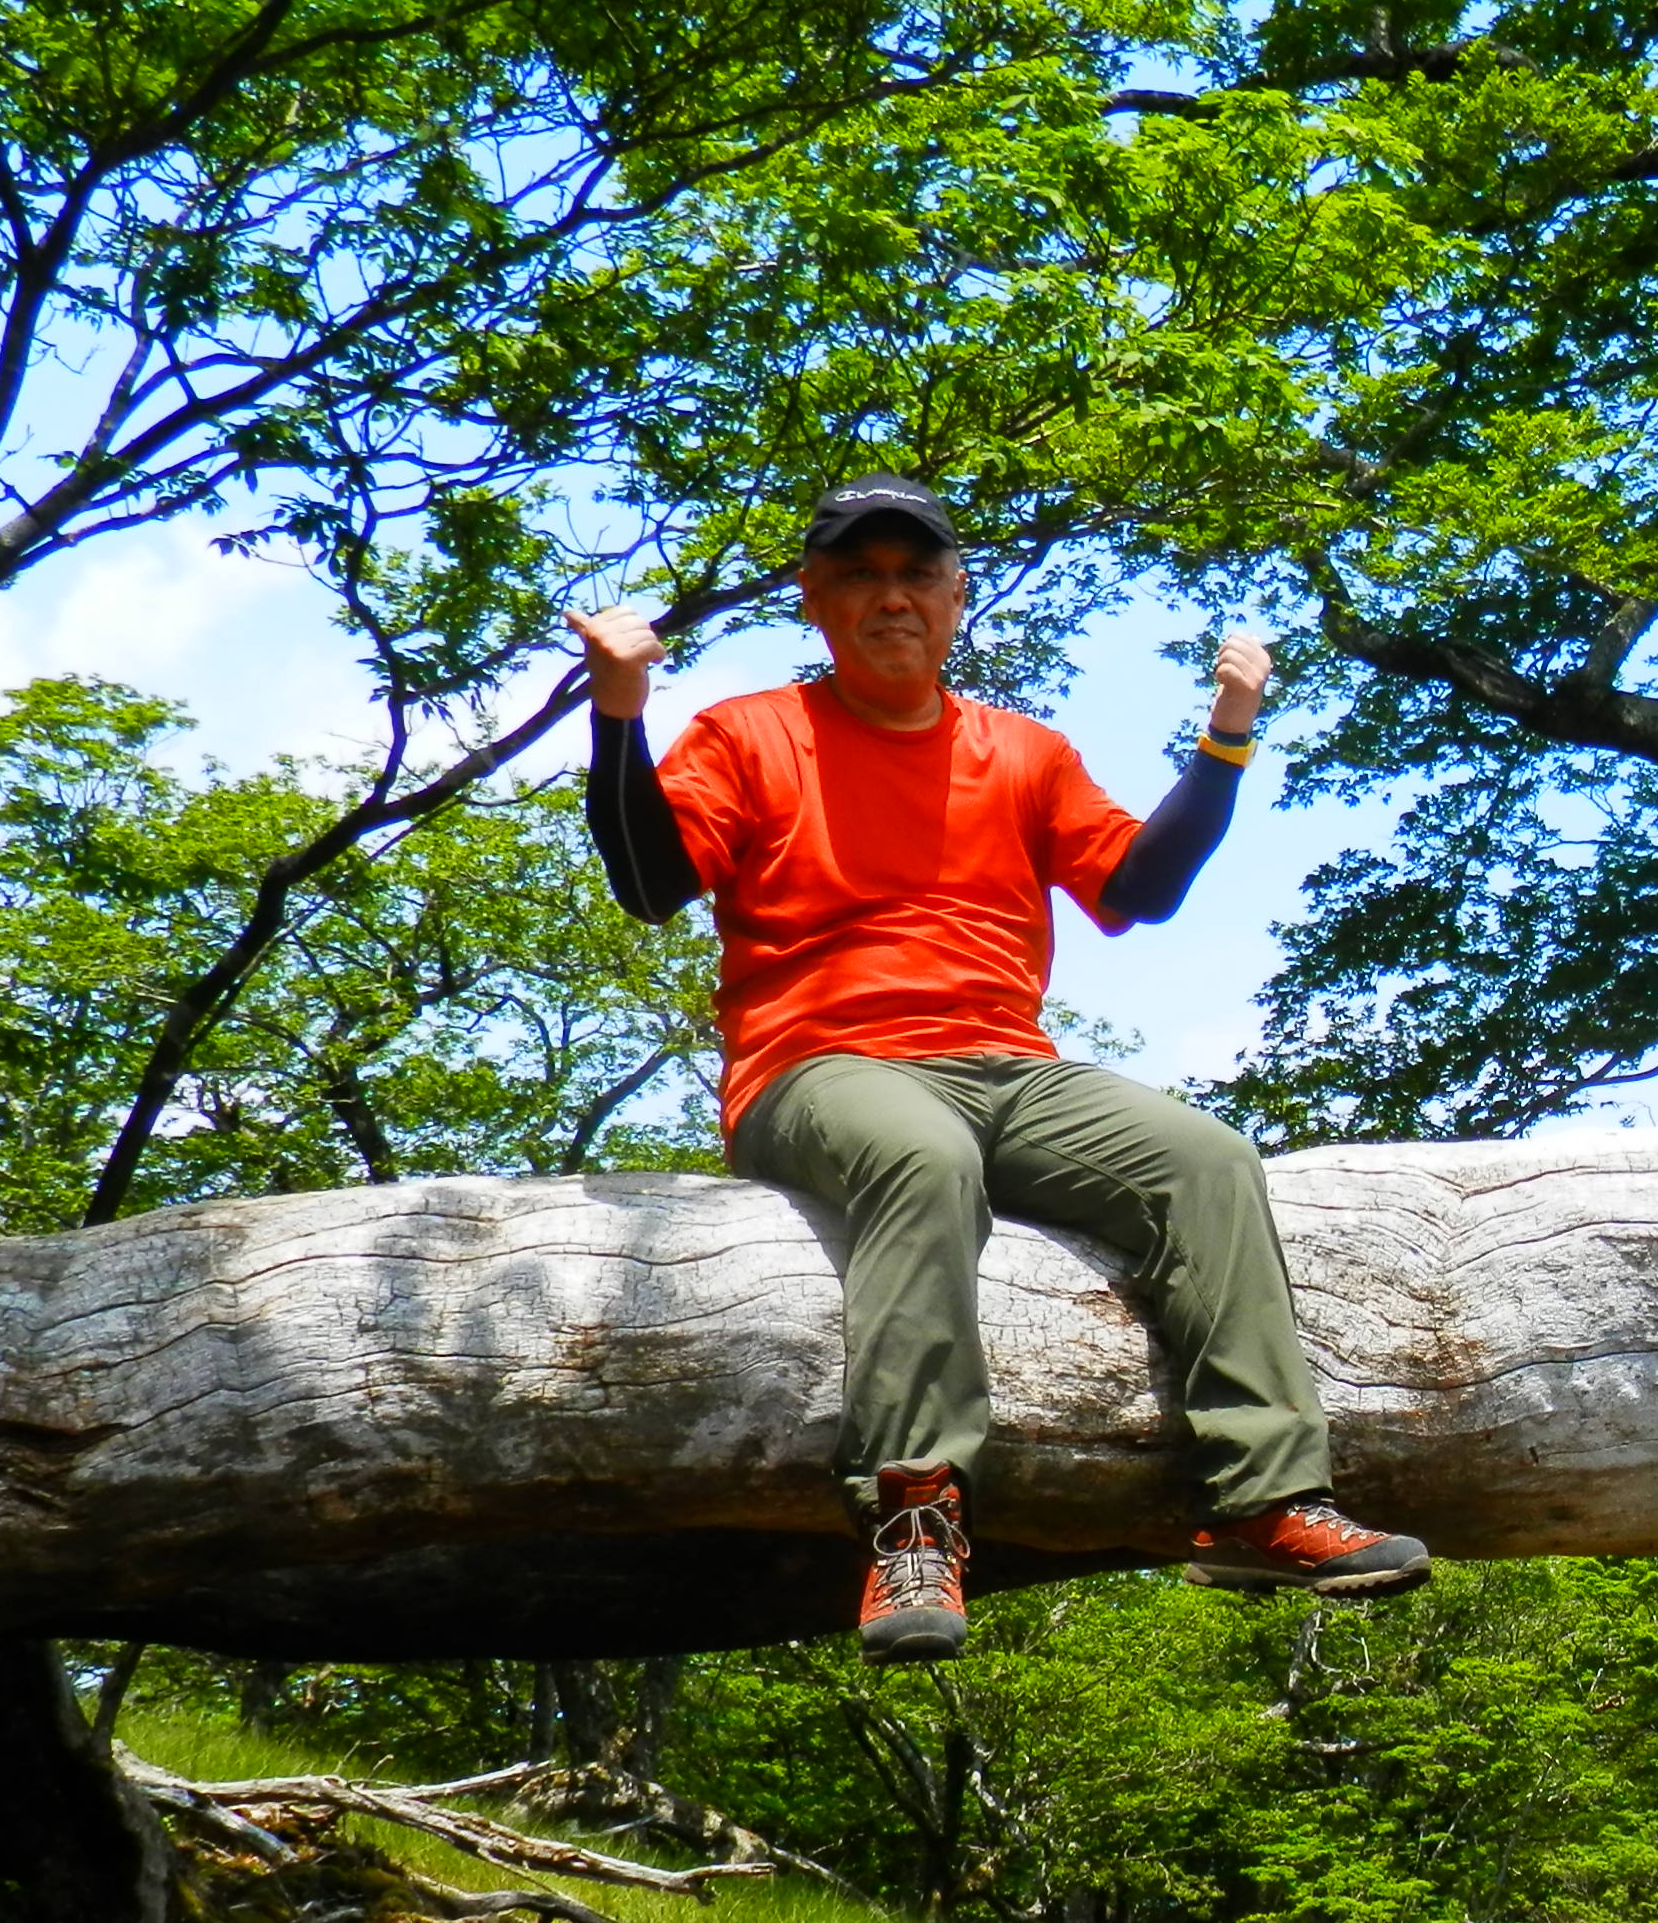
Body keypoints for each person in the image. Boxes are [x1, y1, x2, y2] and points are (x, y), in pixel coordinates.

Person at [568, 475, 1430, 1664]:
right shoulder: (751, 732)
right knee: (926, 1163)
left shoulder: (1020, 751)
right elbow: (651, 883)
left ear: (956, 597)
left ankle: (1265, 1503)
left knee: (1208, 1159)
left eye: (915, 574)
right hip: (819, 1063)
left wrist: (1227, 739)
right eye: (859, 576)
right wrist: (620, 714)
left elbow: (1140, 890)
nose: (890, 598)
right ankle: (914, 1527)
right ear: (815, 601)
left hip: (1007, 1067)